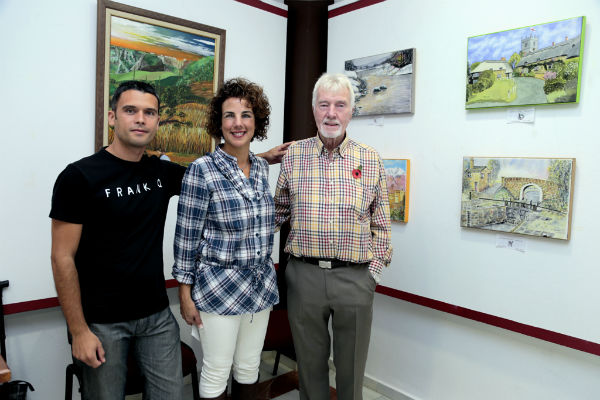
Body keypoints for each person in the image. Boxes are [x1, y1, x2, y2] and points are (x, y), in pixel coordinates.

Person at [50, 80, 289, 400]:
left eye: (149, 112)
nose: (140, 119)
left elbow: (222, 174)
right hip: (102, 321)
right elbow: (61, 258)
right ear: (112, 117)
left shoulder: (161, 172)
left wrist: (262, 156)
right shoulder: (78, 177)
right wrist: (79, 330)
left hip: (156, 315)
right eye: (130, 111)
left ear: (158, 121)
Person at [273, 73, 393, 400]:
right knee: (309, 369)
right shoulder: (294, 156)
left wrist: (372, 275)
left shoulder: (369, 159)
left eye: (340, 105)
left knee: (351, 371)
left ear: (352, 111)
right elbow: (277, 211)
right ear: (313, 110)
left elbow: (382, 224)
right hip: (304, 277)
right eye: (324, 104)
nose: (331, 113)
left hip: (355, 279)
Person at [173, 78, 280, 400]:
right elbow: (186, 237)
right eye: (230, 116)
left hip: (260, 285)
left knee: (249, 366)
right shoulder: (201, 170)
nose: (238, 123)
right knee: (217, 370)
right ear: (219, 124)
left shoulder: (262, 168)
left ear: (256, 121)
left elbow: (261, 225)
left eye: (246, 114)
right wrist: (184, 293)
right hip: (218, 286)